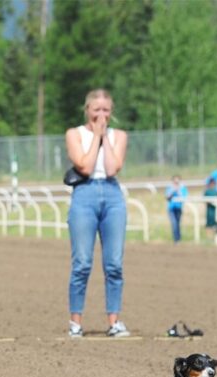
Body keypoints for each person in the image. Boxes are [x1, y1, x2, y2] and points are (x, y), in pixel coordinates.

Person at [64, 89, 130, 338]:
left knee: (114, 263)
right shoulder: (74, 134)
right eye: (96, 110)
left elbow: (112, 168)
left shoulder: (119, 136)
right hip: (85, 194)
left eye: (106, 110)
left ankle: (114, 321)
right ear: (87, 110)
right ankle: (75, 322)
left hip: (112, 196)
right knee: (82, 262)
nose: (101, 115)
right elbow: (85, 165)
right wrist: (96, 137)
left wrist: (106, 138)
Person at [165, 175, 187, 244]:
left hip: (178, 208)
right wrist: (173, 190)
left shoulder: (182, 188)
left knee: (178, 224)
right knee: (174, 224)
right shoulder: (169, 188)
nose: (176, 183)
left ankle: (178, 239)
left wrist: (178, 191)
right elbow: (167, 197)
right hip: (171, 209)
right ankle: (176, 239)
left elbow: (184, 197)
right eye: (175, 181)